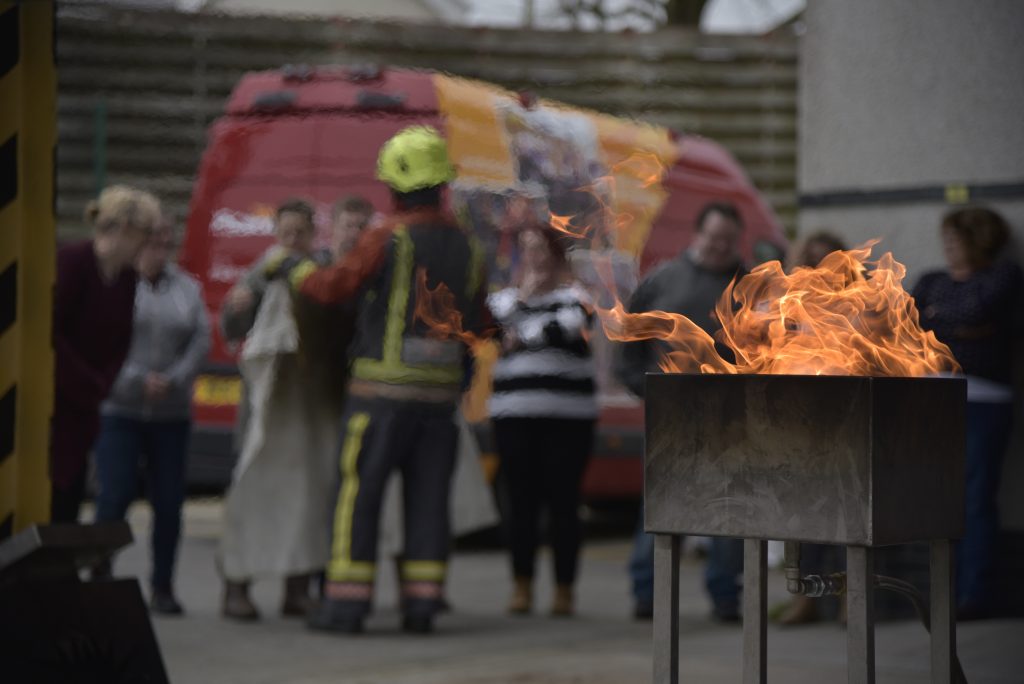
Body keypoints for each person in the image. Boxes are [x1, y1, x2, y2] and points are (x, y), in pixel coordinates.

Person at [287, 125, 488, 635]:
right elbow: (481, 322)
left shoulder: (388, 237)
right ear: (440, 182)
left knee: (359, 498)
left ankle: (345, 607)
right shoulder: (470, 249)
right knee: (428, 503)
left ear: (396, 186)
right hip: (440, 403)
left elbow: (335, 287)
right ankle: (422, 605)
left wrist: (293, 272)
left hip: (380, 398)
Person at [616, 201, 748, 622]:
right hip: (670, 414)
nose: (718, 247)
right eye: (713, 238)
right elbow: (630, 340)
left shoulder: (749, 286)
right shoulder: (663, 281)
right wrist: (643, 387)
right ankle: (647, 593)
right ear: (697, 235)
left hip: (730, 418)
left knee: (730, 509)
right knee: (660, 506)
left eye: (727, 241)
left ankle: (726, 595)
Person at [218, 199, 336, 621]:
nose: (291, 242)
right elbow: (230, 330)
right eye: (284, 234)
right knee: (253, 494)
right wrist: (238, 309)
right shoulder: (259, 275)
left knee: (307, 501)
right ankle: (237, 587)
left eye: (299, 234)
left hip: (306, 411)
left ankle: (297, 590)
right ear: (275, 234)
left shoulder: (322, 276)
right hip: (265, 412)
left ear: (311, 234)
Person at [93, 218, 210, 615]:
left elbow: (200, 340)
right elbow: (103, 338)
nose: (158, 251)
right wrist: (136, 380)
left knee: (169, 502)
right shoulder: (118, 286)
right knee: (114, 496)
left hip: (171, 415)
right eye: (151, 243)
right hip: (121, 409)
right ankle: (100, 574)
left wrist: (174, 380)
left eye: (165, 244)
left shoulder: (187, 289)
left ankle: (163, 586)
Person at [912, 206, 1022, 621]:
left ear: (978, 241)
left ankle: (976, 593)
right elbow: (906, 320)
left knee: (976, 497)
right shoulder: (932, 279)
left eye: (956, 239)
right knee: (935, 496)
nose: (948, 247)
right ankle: (939, 592)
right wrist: (960, 326)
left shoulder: (1004, 276)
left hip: (984, 400)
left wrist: (939, 321)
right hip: (931, 400)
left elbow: (979, 310)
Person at [488, 224, 597, 617]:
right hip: (514, 416)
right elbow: (491, 326)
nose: (535, 258)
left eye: (541, 249)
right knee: (520, 505)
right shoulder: (505, 299)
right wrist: (526, 299)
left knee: (564, 504)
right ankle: (522, 586)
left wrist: (524, 333)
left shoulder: (576, 298)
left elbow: (567, 328)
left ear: (557, 255)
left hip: (568, 420)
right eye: (526, 249)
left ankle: (564, 590)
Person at [51, 185, 161, 523]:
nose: (147, 245)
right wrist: (86, 383)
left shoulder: (126, 279)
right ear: (127, 230)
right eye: (146, 235)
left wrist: (102, 384)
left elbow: (122, 339)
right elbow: (50, 332)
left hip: (87, 405)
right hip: (56, 400)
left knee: (71, 493)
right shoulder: (73, 261)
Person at [774, 229, 848, 626]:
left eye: (826, 261)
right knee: (802, 515)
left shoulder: (857, 305)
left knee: (846, 511)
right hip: (800, 420)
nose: (818, 270)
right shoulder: (786, 306)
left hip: (844, 421)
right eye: (811, 261)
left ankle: (850, 598)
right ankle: (805, 597)